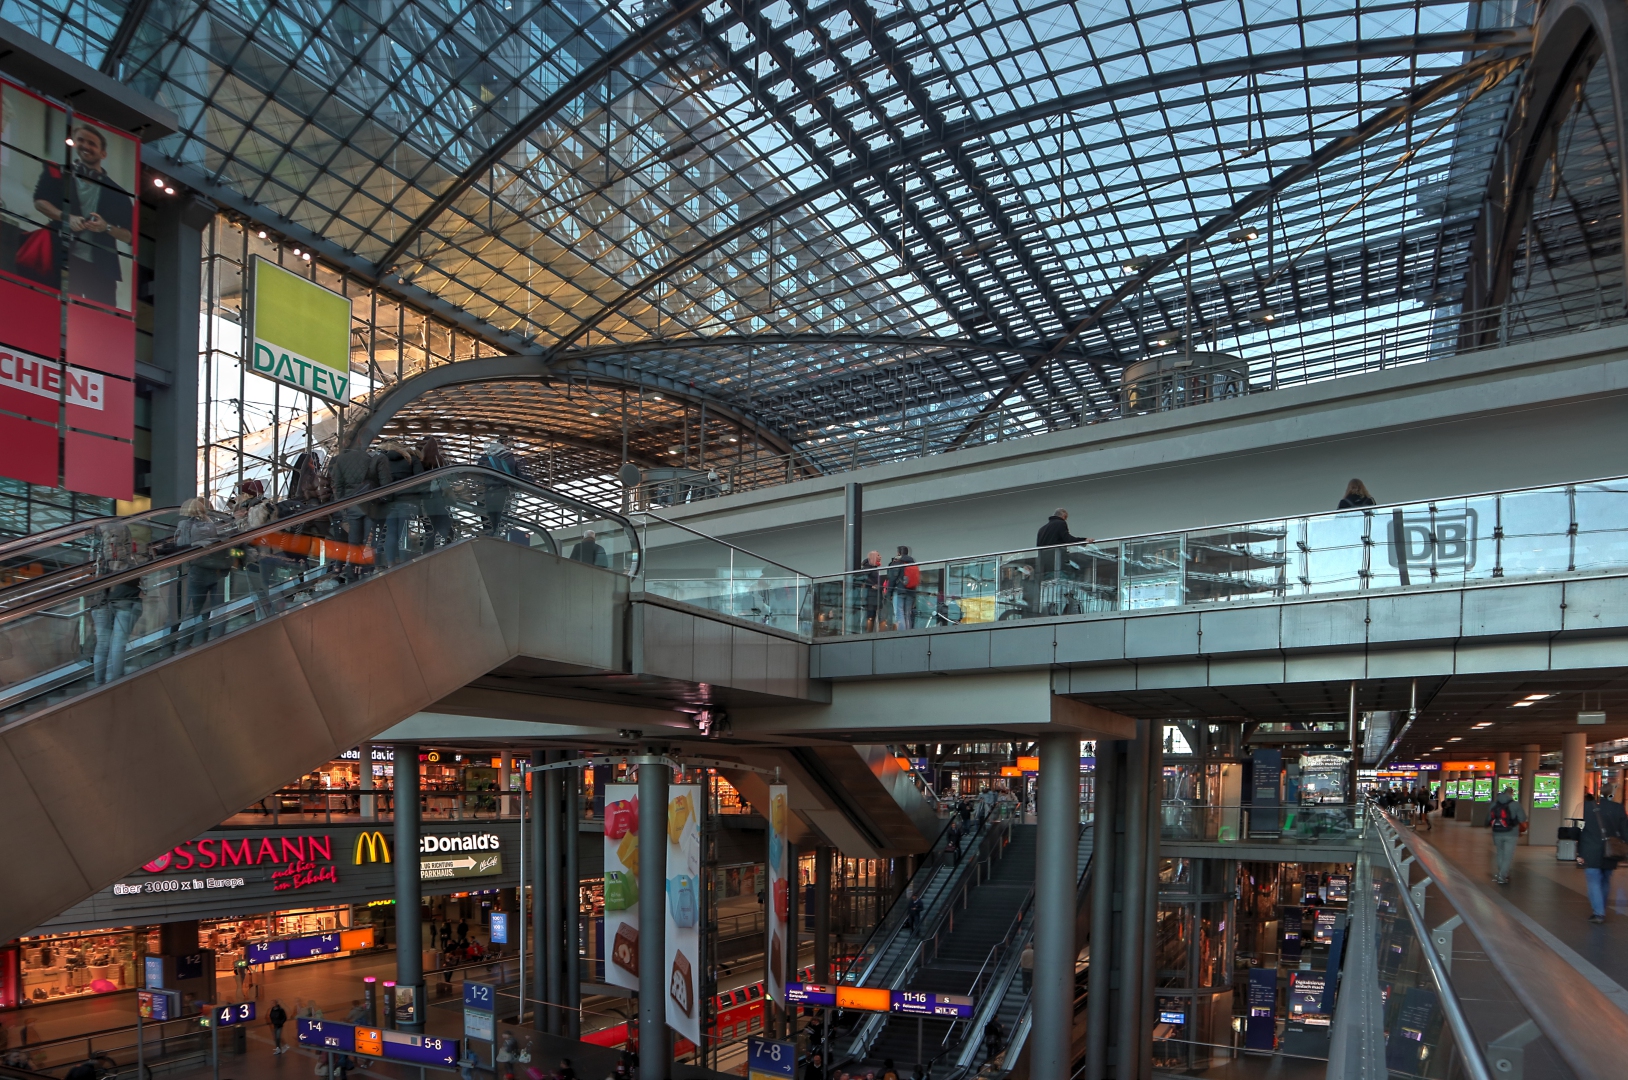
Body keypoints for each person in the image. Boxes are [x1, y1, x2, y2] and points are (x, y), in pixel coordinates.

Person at [31, 124, 135, 305]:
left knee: (101, 324)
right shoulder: (58, 172)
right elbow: (40, 201)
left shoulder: (119, 194)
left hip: (102, 269)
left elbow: (130, 236)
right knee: (56, 310)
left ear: (103, 153)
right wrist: (66, 217)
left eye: (92, 143)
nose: (86, 146)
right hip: (63, 257)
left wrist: (106, 227)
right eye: (81, 140)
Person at [91, 521, 142, 685]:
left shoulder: (97, 551)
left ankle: (99, 683)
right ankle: (114, 681)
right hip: (124, 597)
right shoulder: (127, 552)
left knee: (102, 642)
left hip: (100, 599)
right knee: (118, 642)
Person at [329, 444, 387, 577]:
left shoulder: (341, 461)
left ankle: (353, 570)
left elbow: (337, 486)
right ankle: (366, 569)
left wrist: (343, 506)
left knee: (354, 540)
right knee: (368, 539)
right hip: (369, 503)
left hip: (351, 504)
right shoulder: (369, 458)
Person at [176, 497, 226, 648]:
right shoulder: (211, 524)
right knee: (207, 612)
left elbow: (182, 546)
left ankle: (182, 644)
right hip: (214, 570)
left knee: (192, 610)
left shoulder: (184, 524)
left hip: (197, 570)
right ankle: (202, 642)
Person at [1578, 789, 1628, 923]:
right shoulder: (1618, 808)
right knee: (1605, 879)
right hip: (1611, 849)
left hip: (1590, 849)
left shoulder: (1587, 807)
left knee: (1594, 879)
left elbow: (1579, 830)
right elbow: (1625, 831)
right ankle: (1601, 909)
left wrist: (1579, 852)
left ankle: (1599, 913)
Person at [375, 440, 424, 567]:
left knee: (391, 532)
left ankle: (391, 563)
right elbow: (421, 479)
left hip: (391, 502)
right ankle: (404, 563)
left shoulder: (382, 461)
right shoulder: (412, 459)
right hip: (409, 500)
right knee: (404, 531)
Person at [479, 438, 521, 534]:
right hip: (503, 490)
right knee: (501, 514)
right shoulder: (510, 458)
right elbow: (517, 476)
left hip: (488, 492)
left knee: (488, 515)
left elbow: (478, 477)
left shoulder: (484, 458)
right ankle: (498, 531)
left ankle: (489, 532)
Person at [419, 438, 455, 548]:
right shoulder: (439, 459)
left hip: (426, 498)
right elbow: (445, 476)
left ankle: (430, 547)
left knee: (434, 525)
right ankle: (444, 543)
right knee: (445, 522)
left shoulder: (421, 460)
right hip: (438, 495)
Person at [1487, 785, 1527, 884]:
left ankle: (1502, 872)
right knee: (1508, 856)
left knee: (1500, 853)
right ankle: (1502, 876)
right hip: (1511, 833)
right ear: (1511, 794)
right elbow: (1522, 818)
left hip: (1497, 832)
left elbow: (1488, 819)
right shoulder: (1515, 804)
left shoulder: (1494, 804)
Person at [886, 546, 918, 631]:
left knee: (899, 614)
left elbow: (892, 579)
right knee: (907, 614)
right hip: (911, 592)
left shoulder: (897, 563)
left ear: (898, 553)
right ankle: (908, 633)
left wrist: (889, 593)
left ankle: (902, 634)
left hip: (899, 591)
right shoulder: (913, 563)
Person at [859, 550, 884, 631]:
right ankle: (867, 632)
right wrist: (872, 585)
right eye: (878, 555)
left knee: (873, 615)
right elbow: (863, 578)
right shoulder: (868, 568)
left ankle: (870, 631)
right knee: (870, 615)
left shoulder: (874, 568)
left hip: (875, 595)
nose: (880, 557)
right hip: (871, 595)